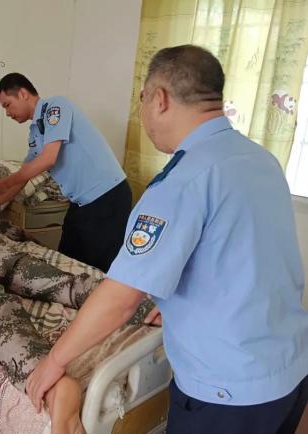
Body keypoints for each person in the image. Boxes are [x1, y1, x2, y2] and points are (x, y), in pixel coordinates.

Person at [25, 45, 308, 434]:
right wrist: (175, 302)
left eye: (141, 99)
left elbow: (120, 300)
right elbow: (242, 255)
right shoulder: (260, 159)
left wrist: (54, 362)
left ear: (159, 99)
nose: (142, 112)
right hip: (290, 370)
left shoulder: (181, 183)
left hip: (227, 393)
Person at [0, 221, 155, 434]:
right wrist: (30, 244)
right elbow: (5, 228)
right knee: (65, 284)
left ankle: (55, 390)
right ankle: (148, 308)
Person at [0, 73, 131, 272]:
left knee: (98, 271)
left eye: (7, 105)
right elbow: (23, 177)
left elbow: (48, 158)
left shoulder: (56, 106)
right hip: (81, 203)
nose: (8, 113)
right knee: (66, 265)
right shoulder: (35, 133)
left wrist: (6, 181)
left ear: (23, 94)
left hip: (106, 196)